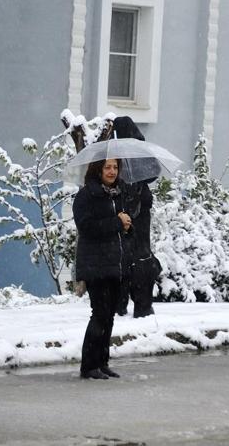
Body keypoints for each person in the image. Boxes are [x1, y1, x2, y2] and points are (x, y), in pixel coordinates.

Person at [73, 157, 131, 380]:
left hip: (114, 264)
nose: (112, 171)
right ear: (98, 170)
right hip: (95, 264)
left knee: (109, 316)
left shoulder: (117, 194)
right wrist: (117, 223)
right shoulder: (87, 195)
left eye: (115, 167)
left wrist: (126, 226)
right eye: (107, 167)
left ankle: (102, 362)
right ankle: (88, 366)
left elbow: (119, 228)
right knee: (99, 314)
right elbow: (86, 227)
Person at [110, 116, 160, 318]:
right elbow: (153, 173)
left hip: (130, 217)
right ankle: (141, 305)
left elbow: (151, 173)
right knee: (139, 259)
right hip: (136, 219)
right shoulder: (136, 150)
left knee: (126, 259)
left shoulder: (120, 152)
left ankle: (123, 305)